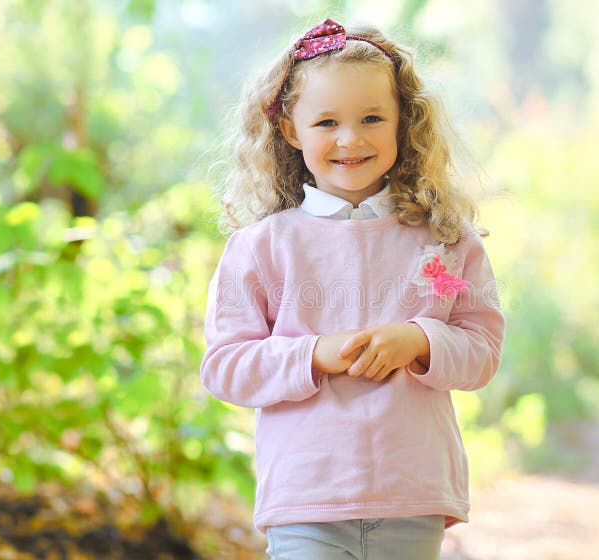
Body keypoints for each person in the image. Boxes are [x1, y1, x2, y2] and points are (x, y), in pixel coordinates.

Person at [200, 18, 505, 560]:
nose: (350, 138)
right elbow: (226, 366)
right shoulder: (263, 247)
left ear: (402, 122)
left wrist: (421, 340)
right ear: (291, 130)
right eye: (326, 121)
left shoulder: (445, 240)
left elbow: (481, 353)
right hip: (306, 498)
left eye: (371, 118)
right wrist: (313, 354)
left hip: (413, 495)